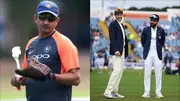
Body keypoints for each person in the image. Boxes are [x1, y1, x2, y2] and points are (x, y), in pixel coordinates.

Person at [10, 1, 80, 101]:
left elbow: (76, 78)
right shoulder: (30, 44)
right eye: (42, 17)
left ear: (57, 21)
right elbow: (28, 78)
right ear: (35, 18)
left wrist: (51, 77)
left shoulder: (64, 43)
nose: (46, 22)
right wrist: (17, 80)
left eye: (50, 18)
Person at [103, 8, 128, 99]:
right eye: (117, 14)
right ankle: (108, 91)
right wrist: (116, 50)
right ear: (115, 15)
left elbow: (123, 39)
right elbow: (112, 38)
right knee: (117, 70)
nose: (119, 16)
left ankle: (114, 91)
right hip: (117, 51)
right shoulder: (113, 24)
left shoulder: (120, 24)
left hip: (122, 50)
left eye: (120, 14)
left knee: (120, 71)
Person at [141, 14, 165, 98]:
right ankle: (146, 92)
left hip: (157, 53)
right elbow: (142, 42)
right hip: (148, 53)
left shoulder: (161, 30)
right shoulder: (145, 30)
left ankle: (158, 92)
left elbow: (162, 42)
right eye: (151, 20)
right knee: (147, 73)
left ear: (157, 21)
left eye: (153, 20)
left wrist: (157, 48)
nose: (151, 21)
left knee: (158, 74)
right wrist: (147, 48)